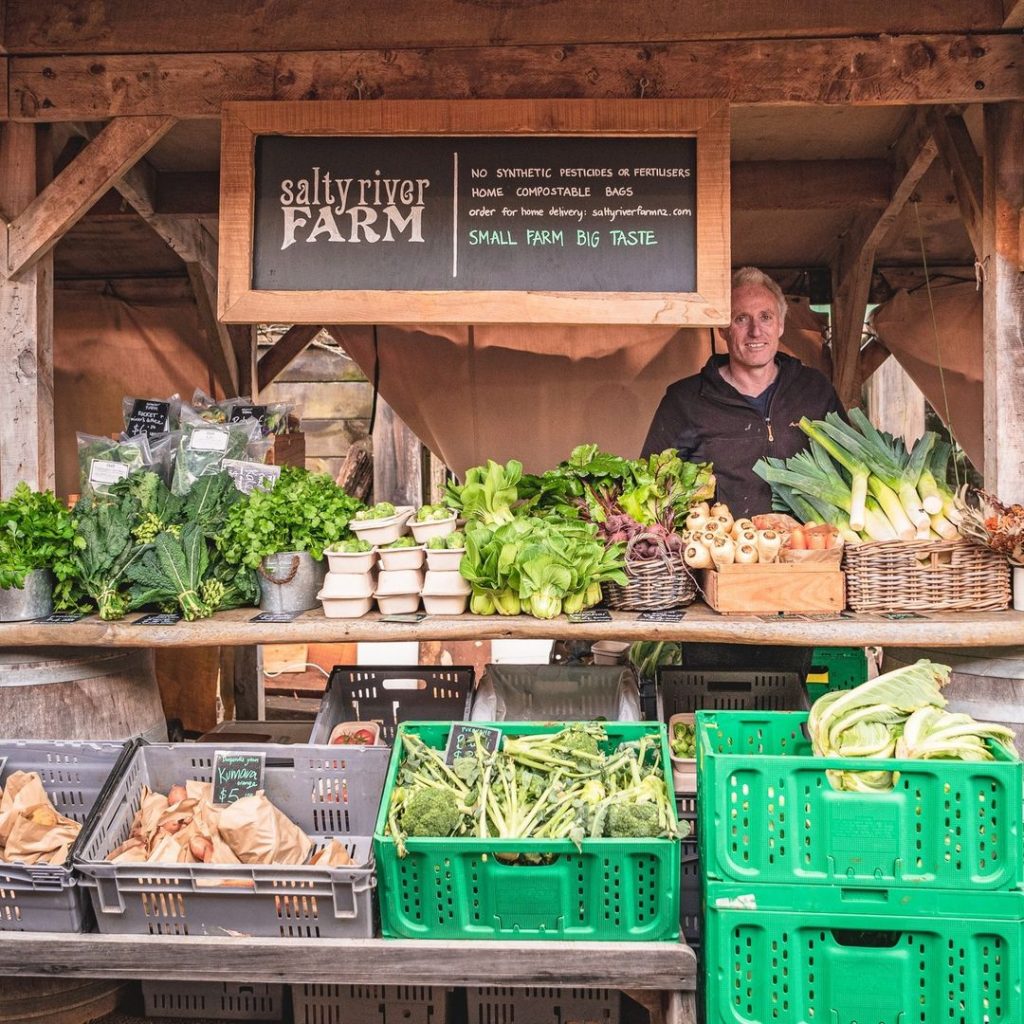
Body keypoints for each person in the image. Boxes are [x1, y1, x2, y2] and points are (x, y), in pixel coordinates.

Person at [642, 266, 843, 520]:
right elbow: (651, 486)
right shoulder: (685, 401)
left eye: (766, 317)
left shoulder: (815, 390)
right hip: (720, 552)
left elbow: (845, 470)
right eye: (741, 319)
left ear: (780, 325)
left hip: (809, 548)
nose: (755, 331)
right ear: (722, 329)